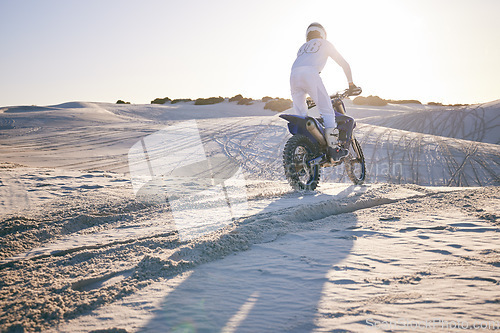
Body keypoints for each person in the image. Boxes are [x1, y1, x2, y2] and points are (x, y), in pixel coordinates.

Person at [290, 22, 360, 161]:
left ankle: (305, 148)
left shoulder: (302, 48)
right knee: (327, 111)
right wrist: (351, 84)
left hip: (293, 76)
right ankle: (334, 149)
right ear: (322, 34)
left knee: (302, 116)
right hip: (310, 74)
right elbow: (344, 64)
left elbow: (305, 65)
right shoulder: (325, 43)